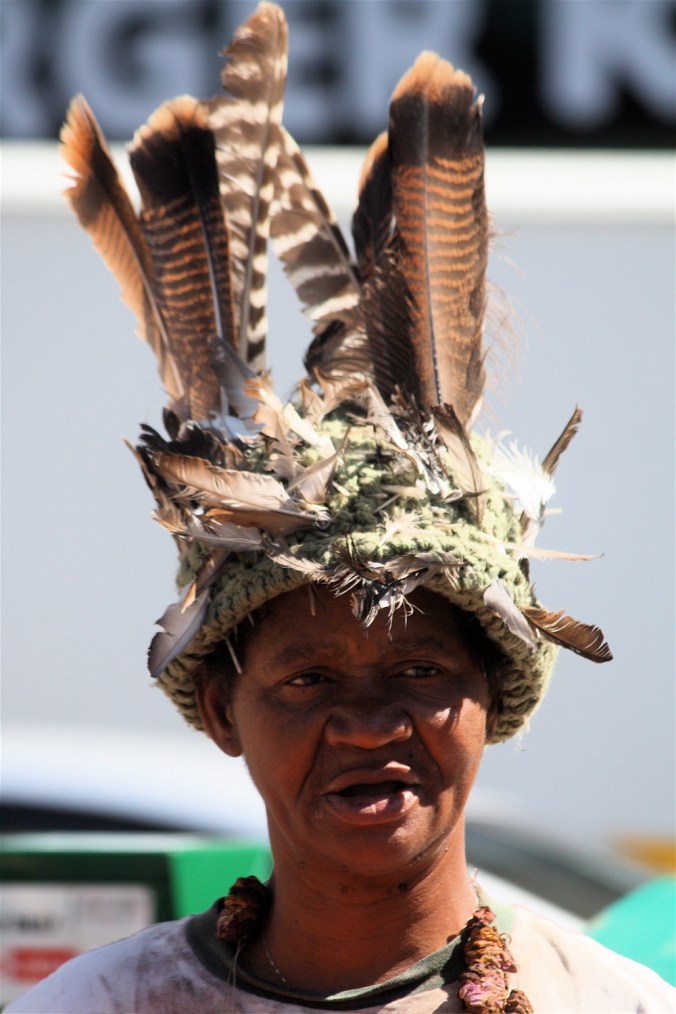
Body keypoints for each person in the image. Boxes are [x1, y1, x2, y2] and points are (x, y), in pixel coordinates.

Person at [7, 4, 673, 1012]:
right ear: (224, 712)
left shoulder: (609, 1004)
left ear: (493, 698)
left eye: (419, 670)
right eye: (308, 678)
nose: (368, 726)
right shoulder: (96, 1005)